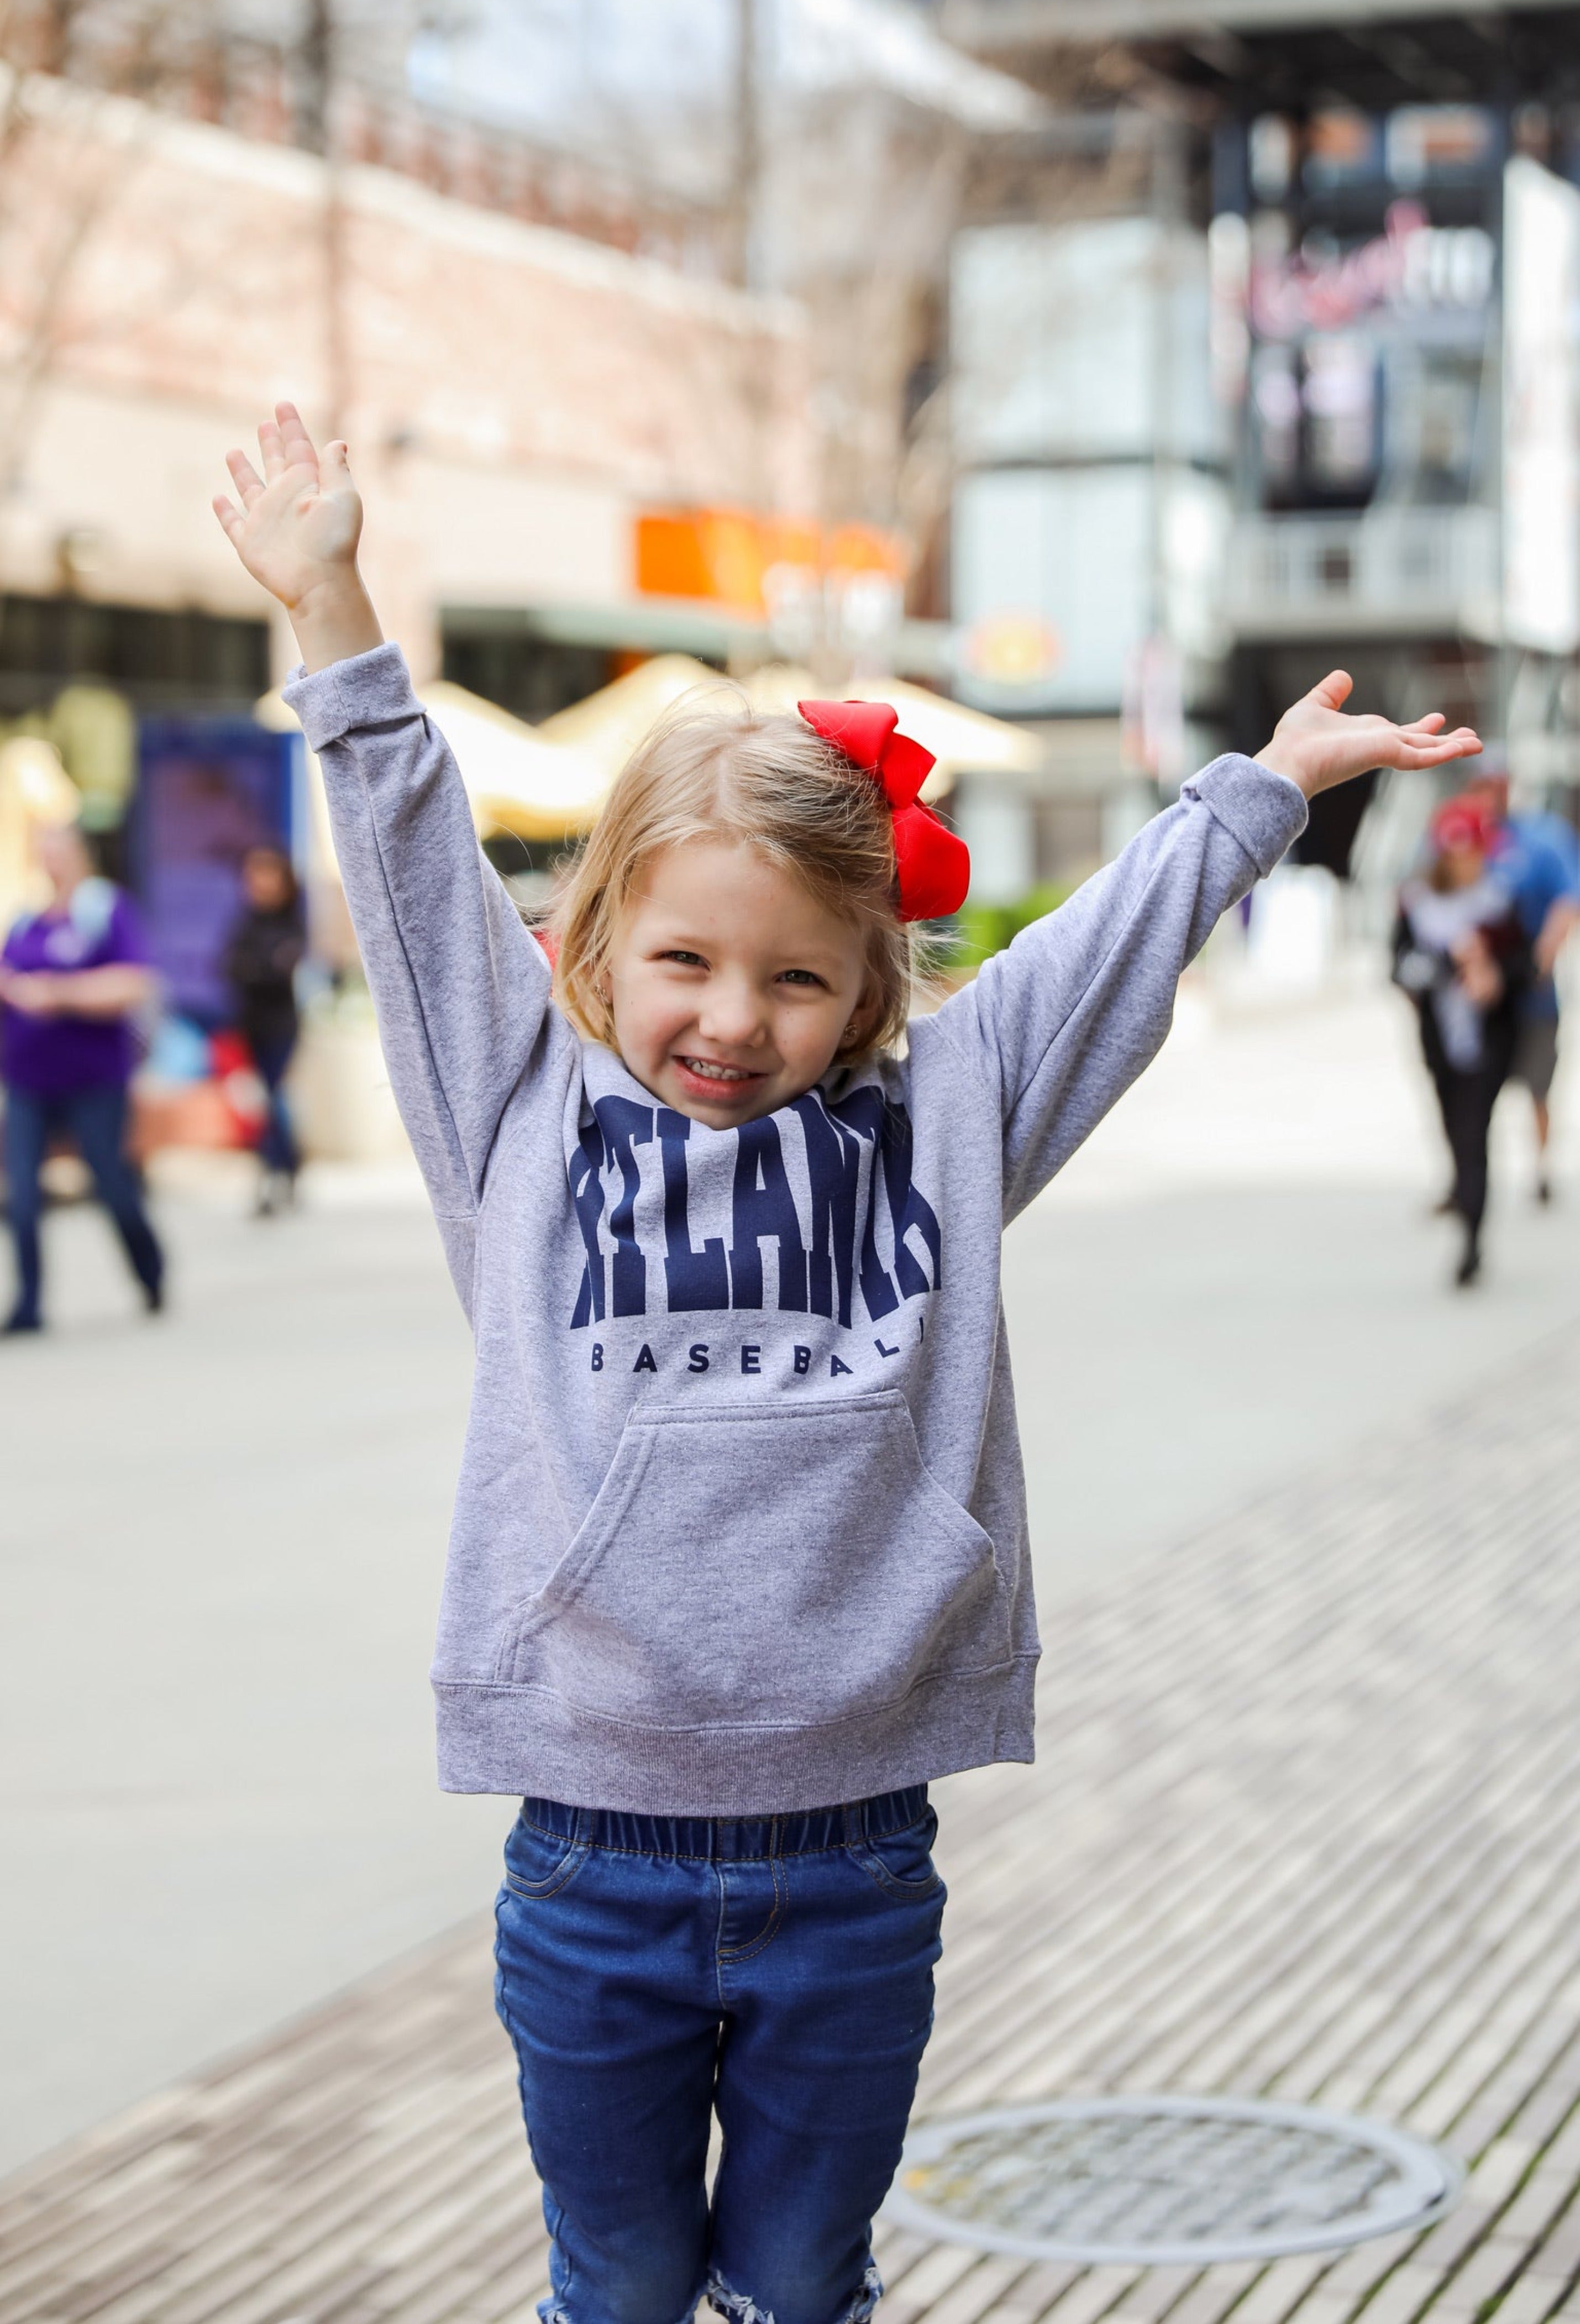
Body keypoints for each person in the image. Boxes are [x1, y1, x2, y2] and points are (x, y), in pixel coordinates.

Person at [212, 404, 1479, 2324]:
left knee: (805, 2285)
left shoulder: (944, 1114)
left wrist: (1259, 791)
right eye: (685, 965)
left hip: (857, 1858)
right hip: (589, 1858)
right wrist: (331, 605)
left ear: (869, 984)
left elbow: (1103, 955)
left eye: (796, 977)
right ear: (592, 947)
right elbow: (400, 853)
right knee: (617, 2287)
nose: (731, 1017)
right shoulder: (513, 1111)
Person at [0, 822, 165, 1333]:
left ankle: (149, 1272)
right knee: (22, 1196)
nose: (50, 860)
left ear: (79, 855)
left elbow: (134, 982)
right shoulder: (27, 923)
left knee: (111, 1184)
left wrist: (57, 994)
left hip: (93, 1080)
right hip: (28, 1081)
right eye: (42, 851)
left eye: (58, 850)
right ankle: (29, 1304)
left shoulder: (103, 911)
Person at [1393, 797, 1528, 1287]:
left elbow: (1524, 966)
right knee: (1452, 1130)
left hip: (1489, 1042)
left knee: (1474, 1136)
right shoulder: (1418, 905)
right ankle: (1461, 1193)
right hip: (1439, 1041)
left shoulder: (1498, 903)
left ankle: (1471, 1240)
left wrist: (1492, 975)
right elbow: (1398, 967)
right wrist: (1447, 966)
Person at [1471, 779, 1580, 1204]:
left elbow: (1567, 900)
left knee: (1537, 1086)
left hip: (1530, 988)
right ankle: (1472, 1173)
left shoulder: (1542, 837)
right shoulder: (1470, 835)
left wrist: (1543, 959)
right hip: (1485, 993)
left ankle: (1540, 1168)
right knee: (1478, 1092)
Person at [223, 842, 307, 1214]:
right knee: (263, 1101)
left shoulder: (290, 924)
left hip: (281, 1026)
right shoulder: (247, 922)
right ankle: (285, 1165)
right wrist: (258, 970)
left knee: (273, 1098)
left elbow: (276, 971)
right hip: (251, 1025)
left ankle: (276, 1171)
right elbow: (231, 967)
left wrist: (256, 971)